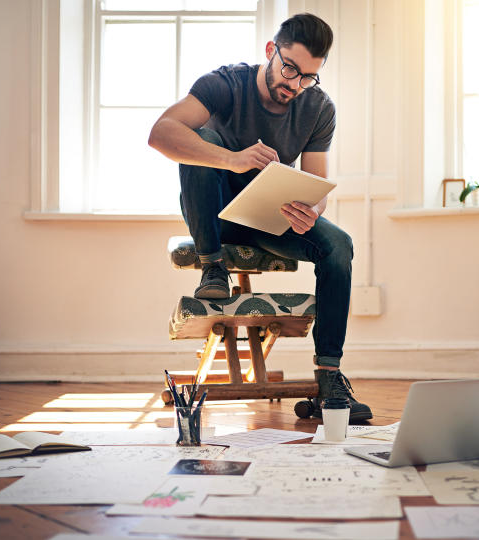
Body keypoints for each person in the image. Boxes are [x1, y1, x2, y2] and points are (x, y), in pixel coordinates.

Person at [148, 13, 371, 423]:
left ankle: (329, 378)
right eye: (289, 69)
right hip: (212, 213)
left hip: (266, 217)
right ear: (271, 51)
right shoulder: (224, 84)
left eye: (308, 77)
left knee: (339, 245)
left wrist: (311, 211)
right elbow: (161, 133)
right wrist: (232, 160)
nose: (295, 84)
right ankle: (213, 267)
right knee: (203, 138)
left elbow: (316, 184)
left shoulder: (318, 107)